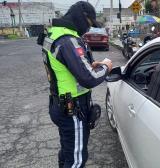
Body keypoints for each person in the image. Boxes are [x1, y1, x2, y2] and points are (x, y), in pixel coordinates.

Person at [38, 1, 112, 168]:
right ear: (82, 17)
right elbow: (89, 78)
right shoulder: (67, 40)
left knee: (67, 151)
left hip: (59, 102)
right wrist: (106, 67)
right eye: (89, 24)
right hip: (73, 109)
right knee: (76, 160)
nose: (88, 29)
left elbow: (66, 66)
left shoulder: (54, 34)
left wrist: (88, 65)